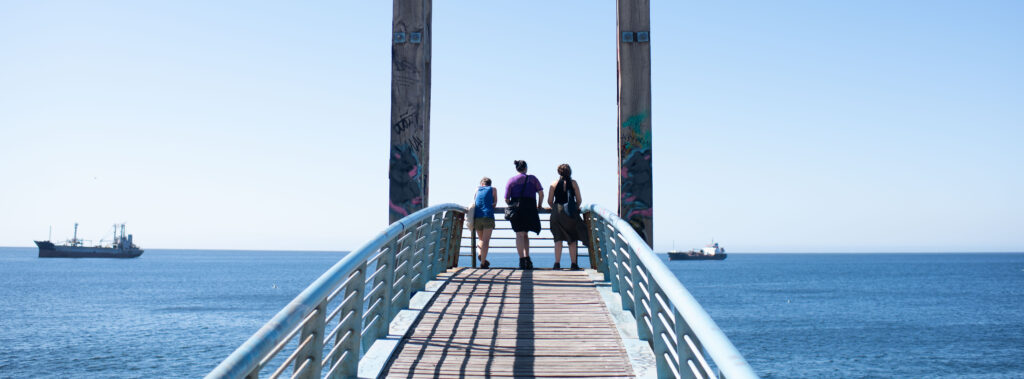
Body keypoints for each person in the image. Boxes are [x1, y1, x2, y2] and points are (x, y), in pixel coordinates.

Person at [505, 160, 543, 270]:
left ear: (516, 168)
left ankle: (522, 260)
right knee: (526, 234)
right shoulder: (533, 179)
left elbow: (506, 198)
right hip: (530, 207)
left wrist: (513, 204)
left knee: (519, 234)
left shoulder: (511, 180)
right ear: (525, 168)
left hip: (517, 209)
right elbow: (541, 193)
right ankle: (527, 259)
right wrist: (539, 205)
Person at [547, 164, 586, 270]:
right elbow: (579, 200)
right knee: (572, 238)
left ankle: (557, 264)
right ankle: (573, 264)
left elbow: (550, 201)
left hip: (557, 213)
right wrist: (575, 208)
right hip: (570, 213)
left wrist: (555, 208)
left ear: (559, 172)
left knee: (558, 239)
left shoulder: (554, 184)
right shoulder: (573, 183)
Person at [472, 177, 497, 269]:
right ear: (490, 184)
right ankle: (482, 263)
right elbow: (494, 203)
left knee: (481, 239)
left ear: (481, 184)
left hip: (477, 217)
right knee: (486, 241)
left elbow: (474, 201)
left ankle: (480, 253)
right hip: (488, 216)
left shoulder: (477, 189)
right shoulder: (493, 189)